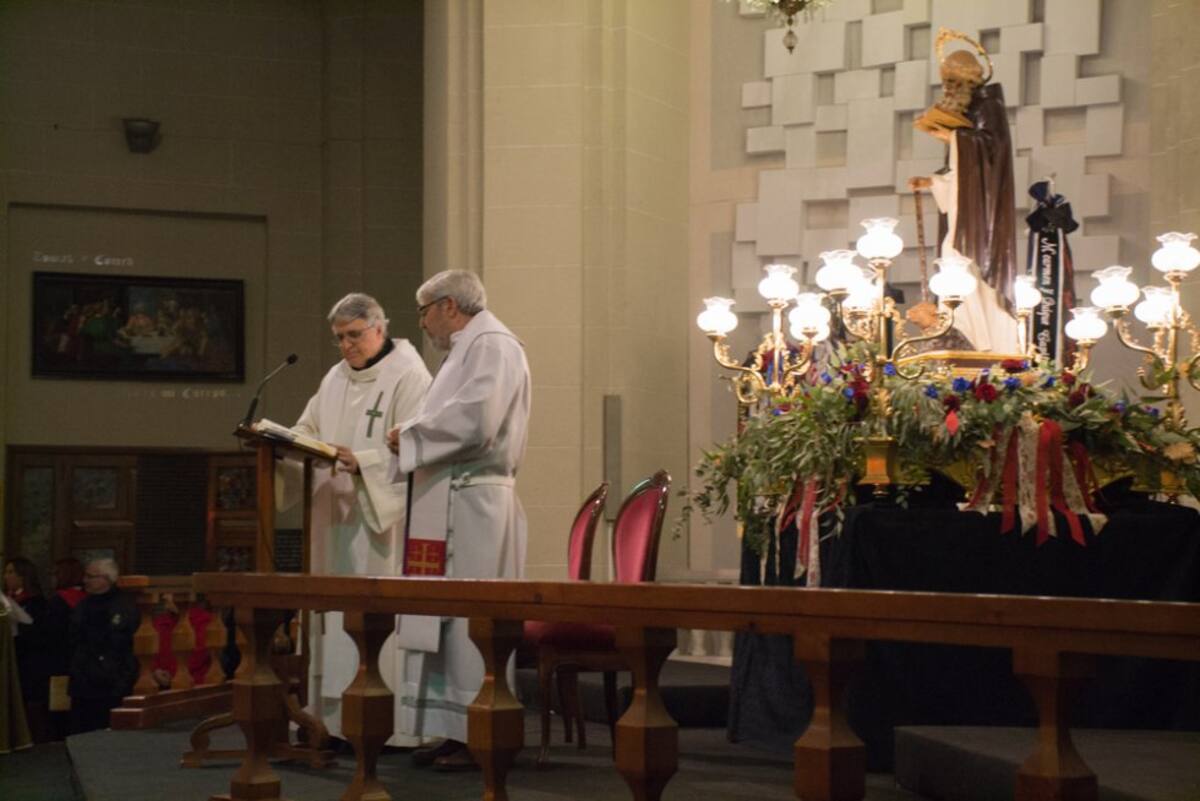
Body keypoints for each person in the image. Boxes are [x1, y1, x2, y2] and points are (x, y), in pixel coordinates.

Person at [385, 269, 530, 771]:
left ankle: (481, 731)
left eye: (424, 311)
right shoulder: (466, 349)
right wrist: (413, 434)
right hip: (450, 497)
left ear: (449, 306)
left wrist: (410, 434)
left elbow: (478, 420)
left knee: (472, 623)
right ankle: (454, 729)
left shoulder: (492, 344)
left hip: (476, 504)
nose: (422, 322)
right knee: (446, 623)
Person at [284, 292, 431, 743]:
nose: (346, 346)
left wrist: (362, 461)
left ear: (379, 329)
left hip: (379, 523)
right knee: (332, 617)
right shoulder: (335, 377)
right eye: (339, 338)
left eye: (354, 335)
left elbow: (419, 448)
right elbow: (307, 428)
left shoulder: (410, 375)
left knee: (373, 614)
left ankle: (389, 727)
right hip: (334, 516)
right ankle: (330, 720)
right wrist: (287, 441)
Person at [913, 29, 1020, 354]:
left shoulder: (988, 106)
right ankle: (962, 333)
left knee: (965, 263)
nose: (947, 88)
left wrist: (954, 138)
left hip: (982, 222)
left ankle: (984, 341)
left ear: (966, 79)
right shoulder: (966, 113)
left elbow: (992, 153)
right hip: (963, 215)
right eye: (944, 82)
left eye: (951, 81)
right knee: (951, 257)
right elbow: (960, 175)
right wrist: (933, 183)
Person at [68, 557, 139, 733]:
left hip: (111, 682)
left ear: (106, 579)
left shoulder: (124, 606)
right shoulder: (83, 605)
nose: (85, 581)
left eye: (90, 576)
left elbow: (126, 645)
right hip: (83, 681)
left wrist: (121, 680)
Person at [4, 557, 50, 742]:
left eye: (11, 572)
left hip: (28, 663)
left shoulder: (36, 603)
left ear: (23, 576)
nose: (6, 576)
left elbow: (36, 633)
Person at [44, 558, 86, 739]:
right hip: (81, 663)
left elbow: (50, 635)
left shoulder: (57, 602)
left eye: (55, 574)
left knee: (59, 712)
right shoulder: (88, 600)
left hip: (58, 662)